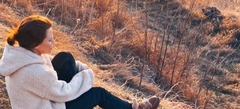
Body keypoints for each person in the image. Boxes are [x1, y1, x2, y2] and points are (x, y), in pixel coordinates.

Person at [0, 15, 160, 109]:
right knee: (98, 94)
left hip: (43, 99)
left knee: (65, 57)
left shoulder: (20, 54)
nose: (53, 41)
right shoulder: (34, 73)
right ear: (36, 44)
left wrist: (80, 70)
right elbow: (65, 92)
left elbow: (48, 68)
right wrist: (86, 75)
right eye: (49, 39)